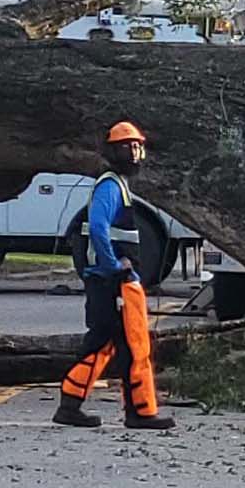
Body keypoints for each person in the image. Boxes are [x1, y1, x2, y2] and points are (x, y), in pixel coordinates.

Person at [53, 121, 175, 429]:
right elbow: (97, 228)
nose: (133, 154)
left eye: (136, 148)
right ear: (112, 152)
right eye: (126, 148)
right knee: (133, 346)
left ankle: (70, 405)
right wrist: (113, 266)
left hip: (110, 283)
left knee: (103, 344)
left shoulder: (116, 185)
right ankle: (141, 412)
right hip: (113, 283)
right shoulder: (110, 187)